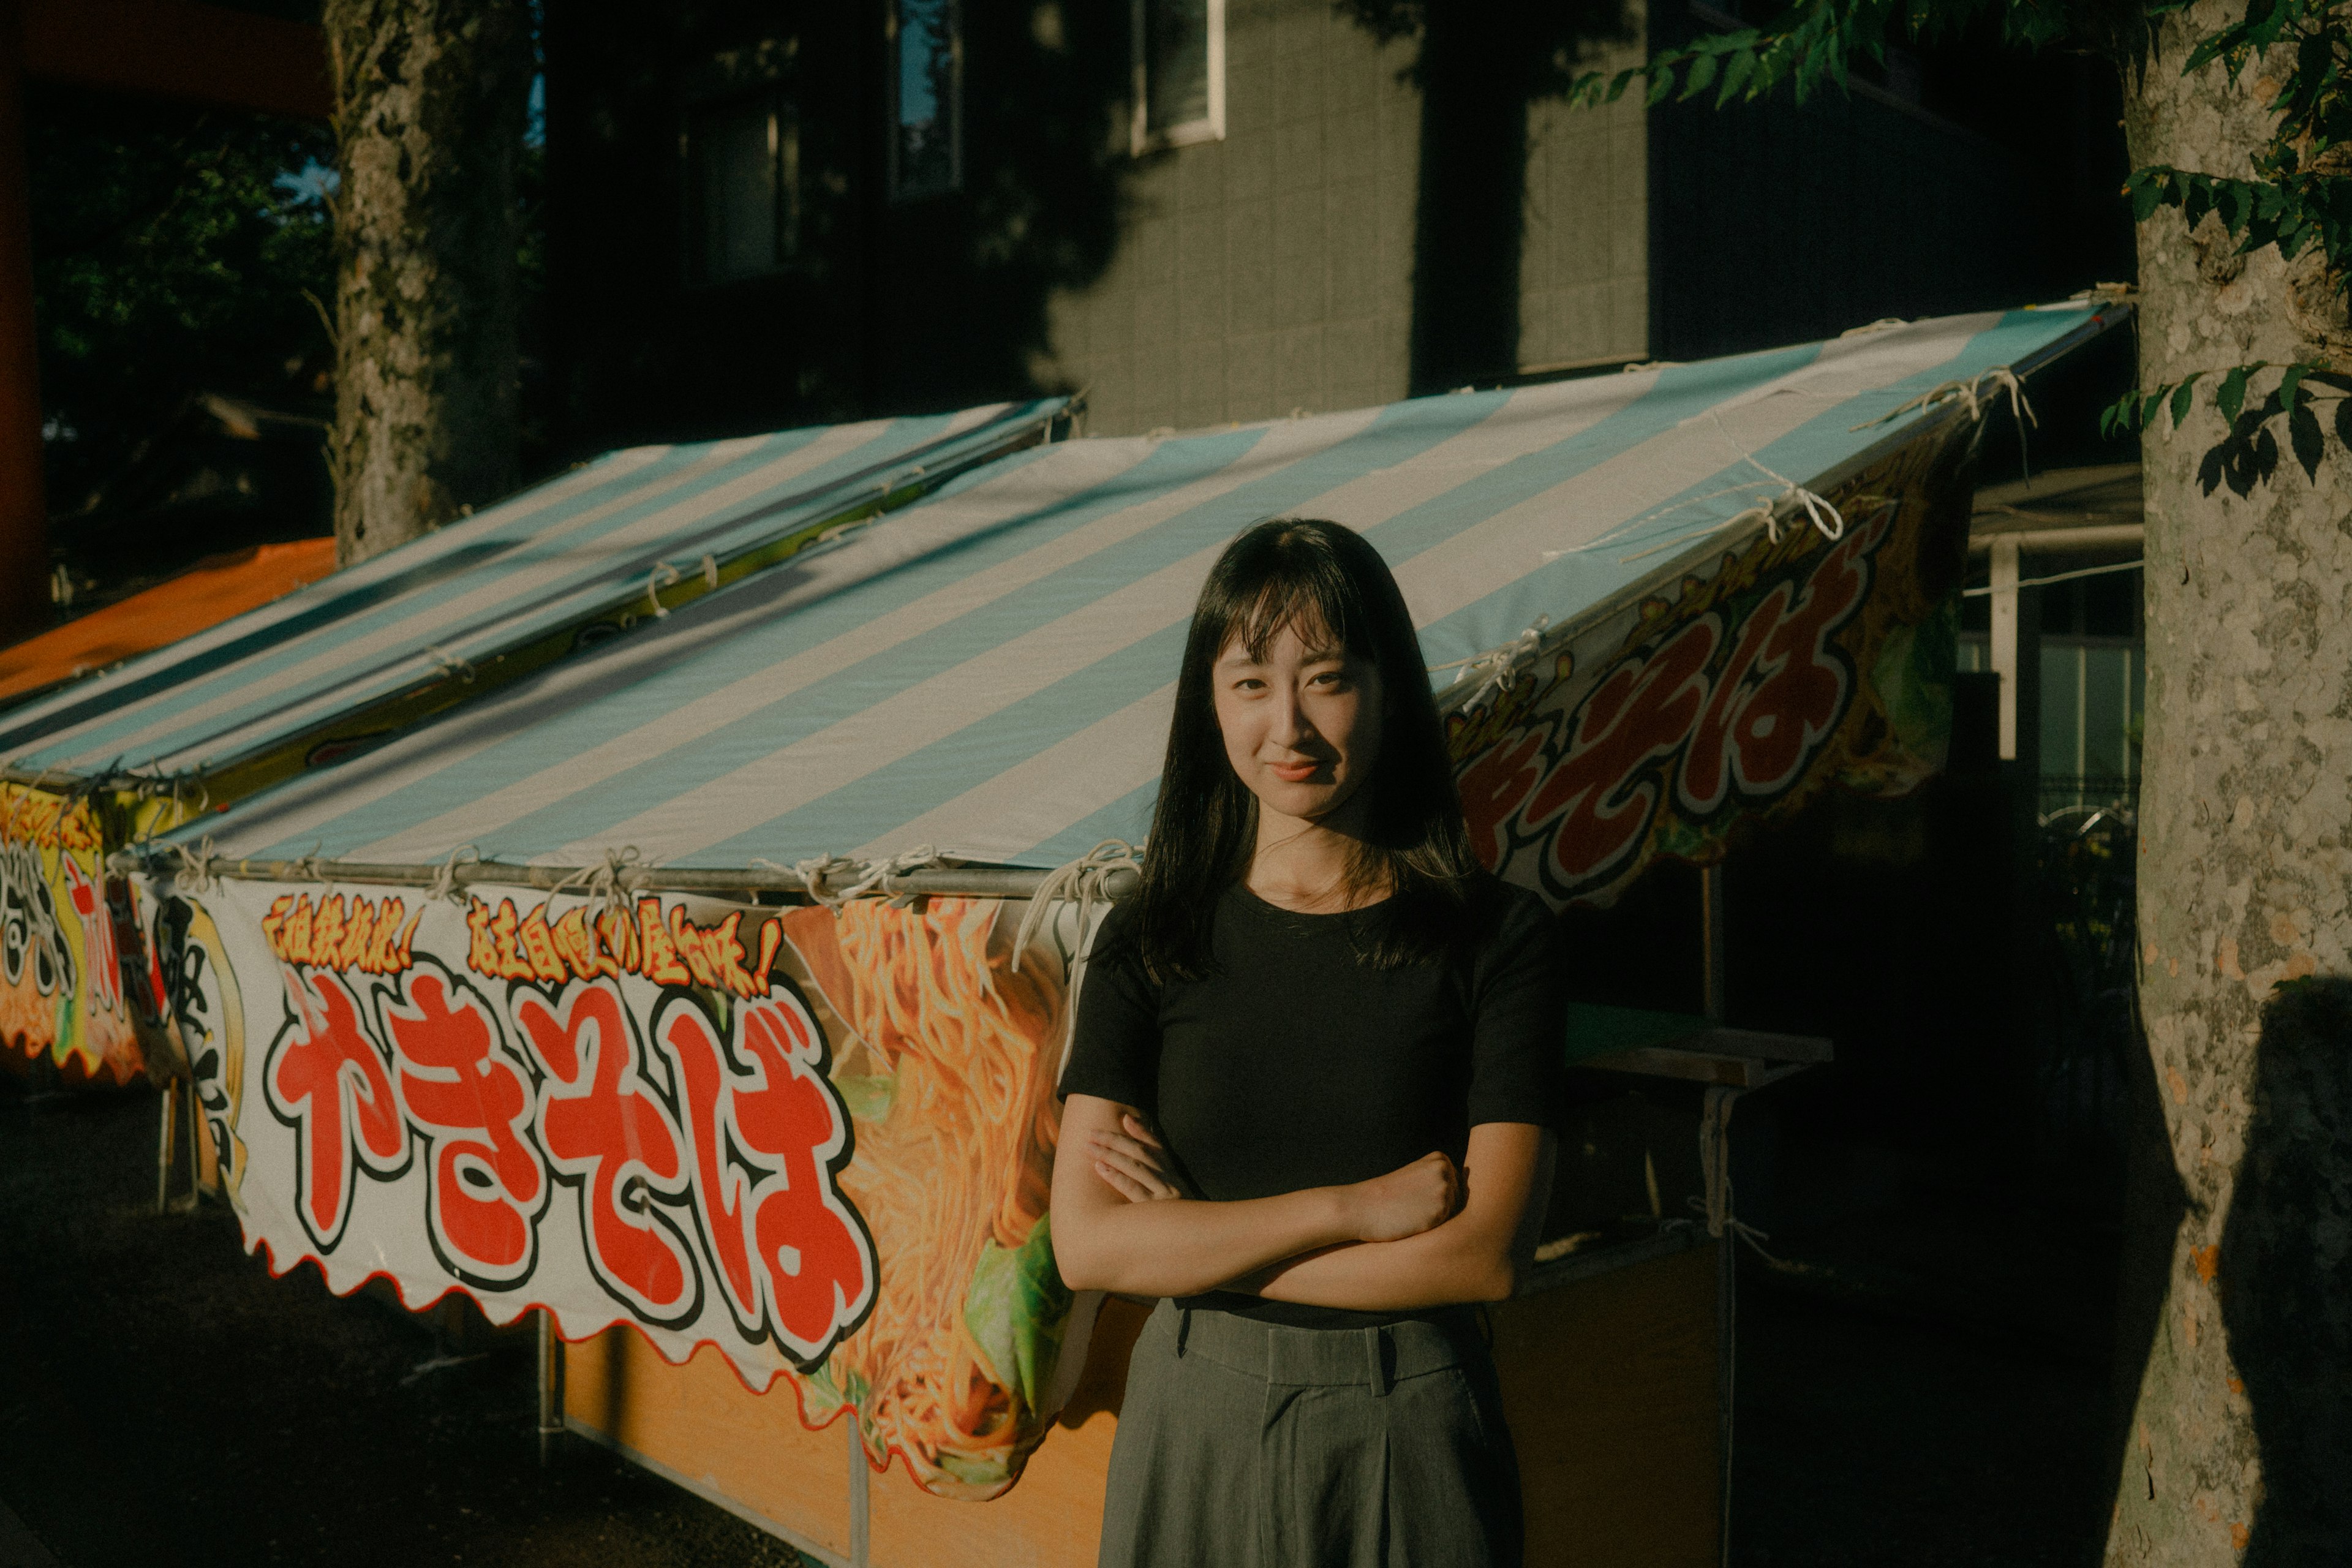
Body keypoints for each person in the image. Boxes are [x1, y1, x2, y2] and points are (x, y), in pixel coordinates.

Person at [1052, 517, 1567, 1568]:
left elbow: (1486, 1257)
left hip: (1411, 1417)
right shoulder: (1148, 936)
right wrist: (1353, 1213)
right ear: (1210, 700)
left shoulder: (1496, 937)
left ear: (1387, 690)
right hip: (1191, 1407)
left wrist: (1195, 1246)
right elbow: (1091, 1245)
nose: (1287, 724)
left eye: (1326, 678)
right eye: (1250, 683)